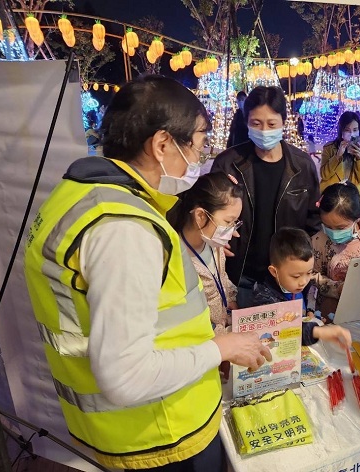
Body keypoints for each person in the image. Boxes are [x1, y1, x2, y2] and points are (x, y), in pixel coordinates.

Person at [23, 76, 272, 471]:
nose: (202, 157)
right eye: (199, 143)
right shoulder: (124, 229)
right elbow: (125, 377)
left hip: (132, 432)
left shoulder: (77, 196)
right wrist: (221, 348)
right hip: (161, 437)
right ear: (161, 145)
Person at [211, 86, 321, 309]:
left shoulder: (302, 166)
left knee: (289, 341)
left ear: (283, 122)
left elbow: (313, 220)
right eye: (256, 123)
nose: (264, 131)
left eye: (271, 124)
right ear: (246, 122)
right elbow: (207, 213)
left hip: (286, 280)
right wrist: (214, 241)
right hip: (240, 275)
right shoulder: (227, 164)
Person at [252, 227, 352, 348]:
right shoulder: (263, 296)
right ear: (274, 271)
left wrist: (311, 312)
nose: (303, 281)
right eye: (296, 276)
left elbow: (312, 295)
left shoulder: (306, 284)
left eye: (309, 272)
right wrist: (317, 331)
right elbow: (280, 329)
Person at [173, 172, 242, 335]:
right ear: (201, 215)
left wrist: (230, 298)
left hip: (224, 329)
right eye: (227, 221)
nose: (231, 229)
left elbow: (221, 275)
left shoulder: (214, 243)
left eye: (235, 222)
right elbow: (189, 321)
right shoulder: (177, 259)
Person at [311, 182, 360, 321]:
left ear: (357, 219)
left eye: (341, 228)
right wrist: (335, 288)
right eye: (327, 226)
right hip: (329, 311)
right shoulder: (318, 241)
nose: (333, 233)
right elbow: (310, 275)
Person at [320, 111, 360, 206]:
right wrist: (337, 156)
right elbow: (324, 175)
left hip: (353, 202)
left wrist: (359, 158)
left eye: (355, 130)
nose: (351, 134)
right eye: (347, 130)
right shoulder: (329, 148)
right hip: (332, 201)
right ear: (341, 131)